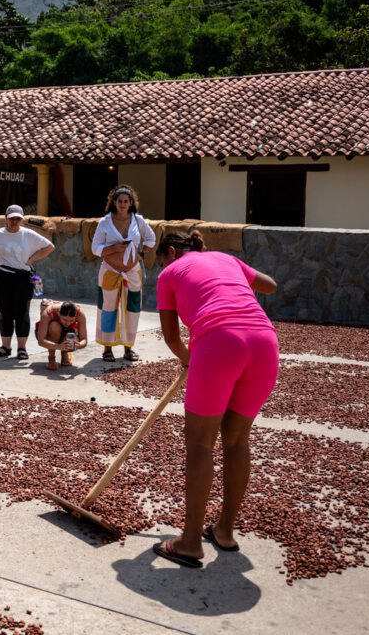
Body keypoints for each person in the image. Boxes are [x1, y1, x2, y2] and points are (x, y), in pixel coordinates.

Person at [150, 231, 279, 569]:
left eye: (161, 258)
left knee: (200, 445)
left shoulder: (168, 274)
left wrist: (188, 359)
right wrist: (232, 277)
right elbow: (269, 285)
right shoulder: (227, 259)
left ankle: (190, 542)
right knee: (236, 442)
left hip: (219, 342)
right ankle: (224, 530)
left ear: (172, 252)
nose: (160, 266)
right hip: (264, 344)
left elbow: (171, 336)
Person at [0, 205, 55, 361]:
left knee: (22, 313)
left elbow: (49, 247)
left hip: (22, 277)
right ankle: (5, 346)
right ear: (6, 218)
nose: (14, 221)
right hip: (2, 277)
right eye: (12, 218)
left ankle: (22, 348)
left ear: (21, 219)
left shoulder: (28, 234)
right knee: (4, 312)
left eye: (17, 218)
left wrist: (32, 259)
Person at [92, 185, 156, 363]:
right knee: (108, 309)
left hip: (132, 271)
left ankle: (129, 348)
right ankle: (107, 348)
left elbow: (151, 238)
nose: (122, 204)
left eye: (125, 201)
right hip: (110, 271)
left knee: (132, 309)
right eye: (119, 201)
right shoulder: (104, 222)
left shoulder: (138, 220)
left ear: (131, 203)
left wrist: (141, 252)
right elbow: (95, 248)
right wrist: (112, 249)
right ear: (114, 202)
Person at [35, 300, 88, 371]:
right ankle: (51, 359)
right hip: (50, 333)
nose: (68, 323)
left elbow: (84, 340)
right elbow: (40, 341)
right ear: (59, 313)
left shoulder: (80, 314)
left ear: (75, 316)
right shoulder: (49, 312)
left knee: (72, 338)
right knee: (54, 327)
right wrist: (58, 346)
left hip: (66, 332)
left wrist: (79, 345)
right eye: (65, 320)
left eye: (71, 320)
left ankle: (65, 355)